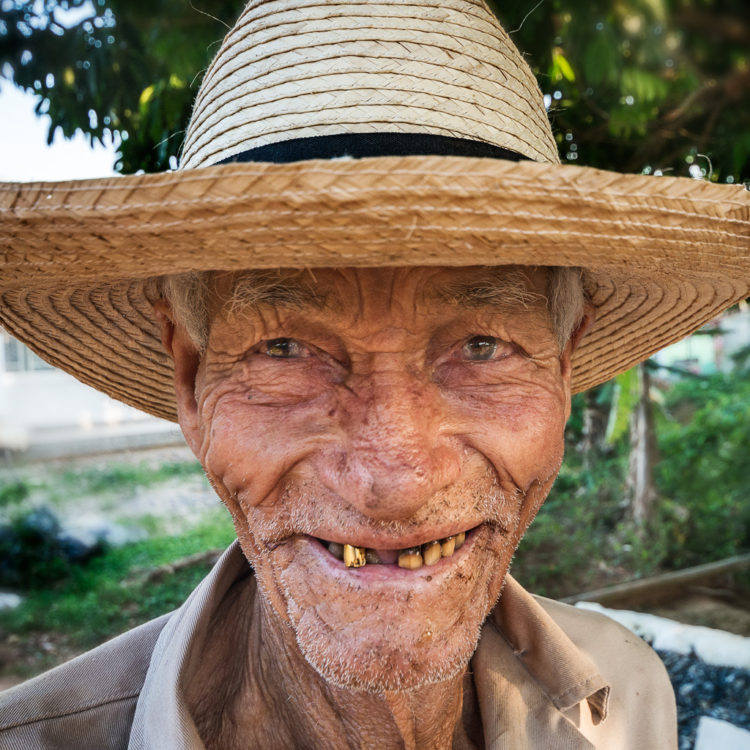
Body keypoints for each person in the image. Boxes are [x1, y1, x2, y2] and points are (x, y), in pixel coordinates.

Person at [0, 0, 748, 748]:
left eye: (482, 345)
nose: (395, 480)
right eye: (284, 348)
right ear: (192, 379)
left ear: (563, 369)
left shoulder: (629, 695)